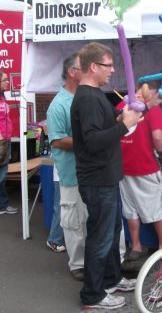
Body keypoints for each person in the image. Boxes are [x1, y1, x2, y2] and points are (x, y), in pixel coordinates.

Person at [71, 42, 144, 310]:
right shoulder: (88, 98)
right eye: (108, 65)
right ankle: (92, 295)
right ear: (93, 67)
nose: (113, 70)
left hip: (106, 177)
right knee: (100, 238)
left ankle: (111, 279)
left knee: (112, 233)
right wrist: (124, 125)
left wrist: (124, 117)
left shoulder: (96, 95)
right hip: (97, 179)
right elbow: (92, 141)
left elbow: (107, 124)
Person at [117, 80, 162, 271]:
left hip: (123, 167)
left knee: (131, 208)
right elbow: (157, 137)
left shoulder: (122, 105)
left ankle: (136, 246)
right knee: (157, 209)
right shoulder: (151, 108)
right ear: (152, 91)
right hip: (146, 166)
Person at [46, 52, 86, 280]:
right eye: (84, 67)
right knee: (73, 222)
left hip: (90, 173)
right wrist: (89, 140)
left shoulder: (85, 97)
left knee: (89, 220)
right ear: (72, 72)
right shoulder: (58, 105)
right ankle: (77, 264)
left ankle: (90, 260)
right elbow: (57, 140)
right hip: (71, 175)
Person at [0, 71, 17, 215]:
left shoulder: (2, 98)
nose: (7, 82)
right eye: (4, 80)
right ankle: (2, 205)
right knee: (2, 174)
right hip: (1, 141)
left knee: (3, 173)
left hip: (6, 140)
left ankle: (3, 205)